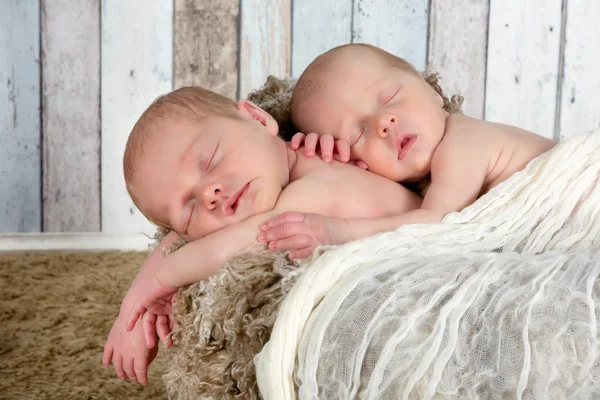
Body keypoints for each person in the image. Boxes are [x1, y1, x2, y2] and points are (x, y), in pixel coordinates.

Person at [102, 85, 422, 384]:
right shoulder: (284, 171)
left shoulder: (312, 189)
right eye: (190, 209)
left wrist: (164, 278)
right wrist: (132, 306)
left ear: (258, 118)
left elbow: (229, 245)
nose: (210, 194)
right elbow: (183, 239)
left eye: (210, 160)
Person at [258, 43, 557, 256]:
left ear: (431, 90)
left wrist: (336, 232)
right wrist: (327, 162)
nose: (382, 124)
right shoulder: (420, 187)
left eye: (389, 97)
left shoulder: (463, 141)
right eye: (357, 135)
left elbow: (437, 225)